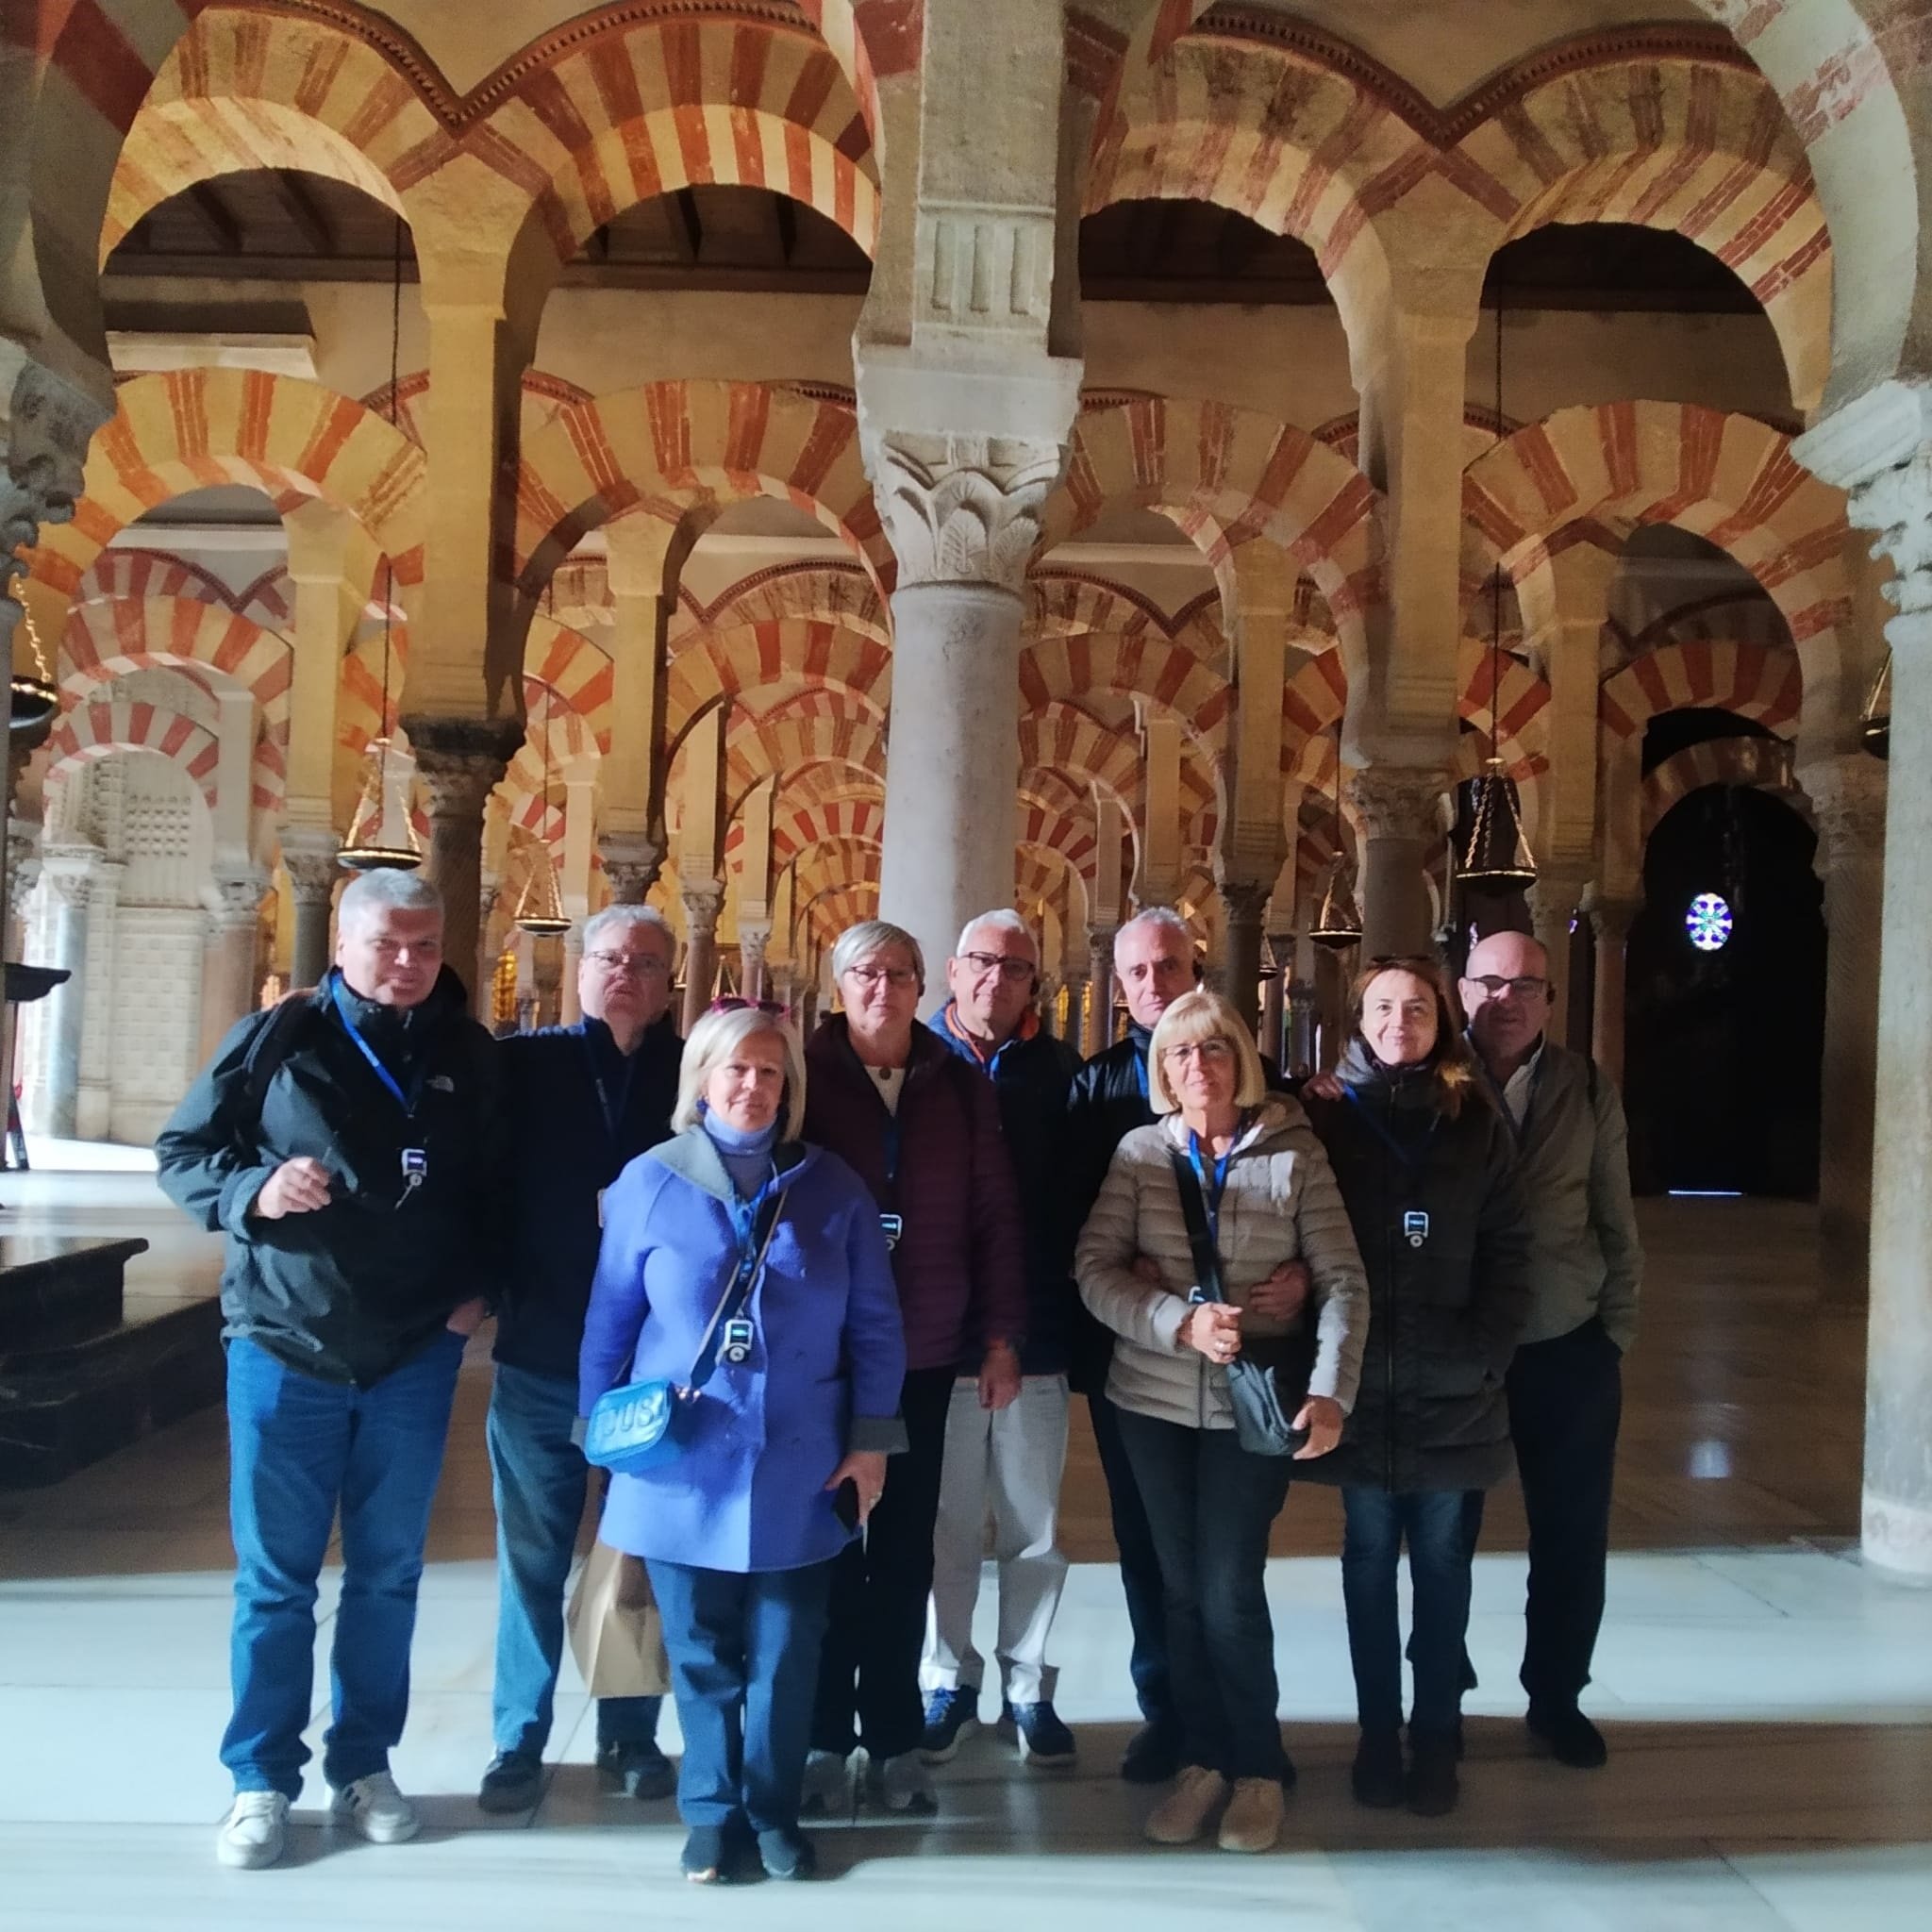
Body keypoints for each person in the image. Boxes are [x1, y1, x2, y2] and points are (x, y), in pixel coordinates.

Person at [155, 870, 505, 1871]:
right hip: (283, 1340)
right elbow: (183, 1150)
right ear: (343, 945)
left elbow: (497, 1187)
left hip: (410, 1350)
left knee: (389, 1571)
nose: (407, 963)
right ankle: (259, 1777)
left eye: (426, 945)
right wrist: (255, 1189)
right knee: (277, 1578)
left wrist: (473, 1292)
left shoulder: (467, 1054)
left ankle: (364, 1761)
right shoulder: (278, 1038)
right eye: (388, 943)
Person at [579, 1003, 907, 1883]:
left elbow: (876, 1328)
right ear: (702, 1083)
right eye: (737, 1070)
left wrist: (873, 1442)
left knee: (790, 1651)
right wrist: (598, 1444)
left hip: (803, 1459)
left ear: (789, 1088)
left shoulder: (833, 1187)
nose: (754, 1087)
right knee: (699, 1648)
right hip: (682, 1461)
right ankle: (709, 1811)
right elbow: (609, 1325)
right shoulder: (650, 1181)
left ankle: (771, 1808)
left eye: (771, 1072)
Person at [1075, 990, 1368, 1854]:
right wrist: (1177, 1319)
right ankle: (1200, 1757)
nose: (1197, 1068)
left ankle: (1257, 1764)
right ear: (1161, 1070)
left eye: (1213, 1052)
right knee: (1176, 1585)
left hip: (1252, 1408)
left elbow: (1344, 1278)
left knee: (1229, 1589)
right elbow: (1093, 1270)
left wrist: (1331, 1391)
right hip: (1152, 1403)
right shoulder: (1138, 1154)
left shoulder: (1293, 1155)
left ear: (1241, 1059)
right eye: (1178, 1055)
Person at [1062, 907, 1306, 1783]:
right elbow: (1085, 1233)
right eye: (1136, 974)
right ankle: (1168, 1711)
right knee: (1151, 1549)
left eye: (1168, 966)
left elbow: (1313, 1215)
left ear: (1194, 966)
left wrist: (1303, 1281)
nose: (1153, 985)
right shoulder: (1095, 1090)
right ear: (1119, 986)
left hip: (1239, 1367)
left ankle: (1241, 1743)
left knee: (1227, 1571)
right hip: (1140, 1361)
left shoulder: (1263, 1086)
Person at [801, 919, 1027, 1815]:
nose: (883, 988)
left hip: (925, 1350)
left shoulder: (957, 1084)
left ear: (923, 984)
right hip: (820, 1355)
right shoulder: (806, 1072)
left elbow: (994, 1212)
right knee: (820, 1549)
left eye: (900, 973)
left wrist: (1001, 1336)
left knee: (902, 1554)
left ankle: (891, 1738)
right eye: (866, 973)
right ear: (840, 984)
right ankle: (821, 1735)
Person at [1300, 957, 1533, 1818]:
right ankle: (1375, 1732)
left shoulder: (1474, 1117)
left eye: (1418, 1008)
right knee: (1366, 1566)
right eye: (1384, 1007)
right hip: (1360, 1387)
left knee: (1442, 1569)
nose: (1401, 1022)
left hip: (1451, 1387)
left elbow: (1511, 1245)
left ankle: (1436, 1734)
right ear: (1359, 1018)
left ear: (1442, 1017)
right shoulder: (1326, 1116)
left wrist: (1484, 1354)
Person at [478, 905, 685, 1813]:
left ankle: (630, 1733)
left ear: (670, 980)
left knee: (634, 1552)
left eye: (645, 961)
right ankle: (517, 1737)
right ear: (579, 968)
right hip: (541, 1349)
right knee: (532, 1554)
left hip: (653, 1368)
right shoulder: (526, 1065)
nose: (624, 974)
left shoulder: (690, 1074)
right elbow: (477, 1184)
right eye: (608, 958)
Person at [1458, 929, 1641, 1769]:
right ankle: (1438, 1696)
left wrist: (1614, 1335)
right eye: (1491, 982)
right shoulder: (1432, 1075)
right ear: (1464, 991)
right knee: (1441, 1531)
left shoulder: (1586, 1086)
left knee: (1570, 1532)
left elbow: (1617, 1219)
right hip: (1461, 1344)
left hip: (1567, 1343)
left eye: (1526, 985)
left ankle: (1557, 1695)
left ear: (1550, 1000)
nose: (1508, 999)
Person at [920, 910, 1082, 1769]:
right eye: (983, 963)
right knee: (947, 1526)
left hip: (1039, 1335)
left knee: (1033, 1525)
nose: (995, 980)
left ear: (1033, 985)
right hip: (941, 1338)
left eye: (1015, 969)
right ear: (954, 970)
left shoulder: (1059, 1073)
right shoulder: (916, 1065)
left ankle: (1028, 1685)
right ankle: (947, 1675)